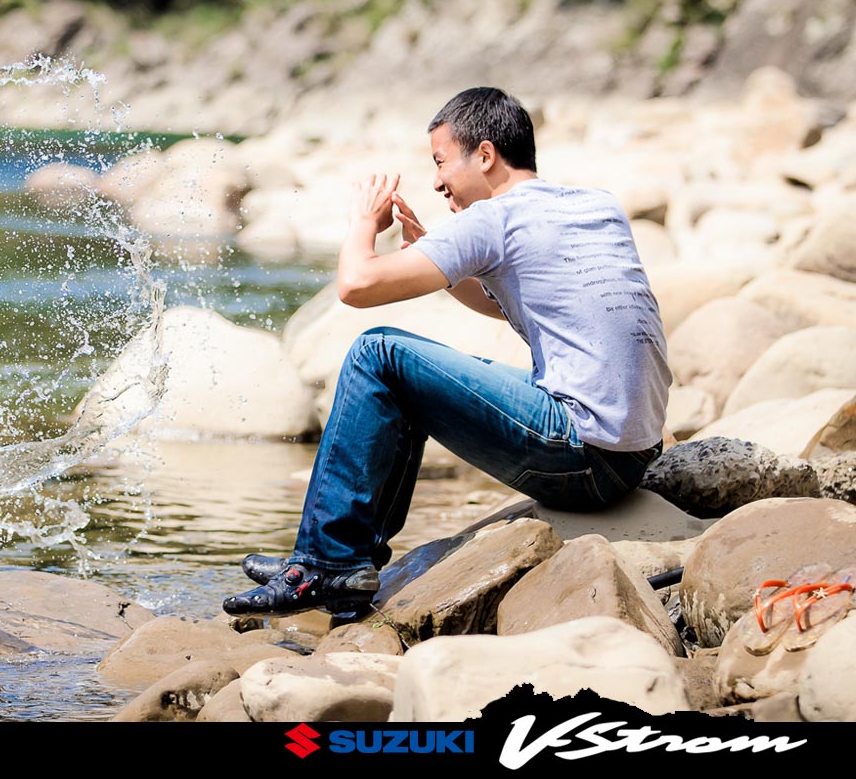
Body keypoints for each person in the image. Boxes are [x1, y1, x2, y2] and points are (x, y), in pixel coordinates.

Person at [224, 87, 670, 616]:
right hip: (633, 455)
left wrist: (364, 222)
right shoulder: (595, 205)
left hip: (583, 459)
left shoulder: (493, 220)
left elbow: (356, 285)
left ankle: (324, 564)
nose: (436, 181)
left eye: (440, 162)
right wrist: (431, 254)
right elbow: (521, 304)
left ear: (485, 155)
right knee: (416, 377)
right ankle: (348, 559)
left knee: (377, 353)